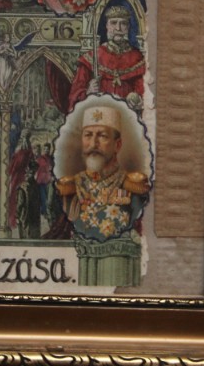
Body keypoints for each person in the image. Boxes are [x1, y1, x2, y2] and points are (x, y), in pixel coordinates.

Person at [56, 105, 150, 286]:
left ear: (117, 145)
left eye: (102, 136)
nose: (93, 144)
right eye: (88, 135)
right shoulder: (71, 187)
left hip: (120, 269)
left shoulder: (133, 187)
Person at [68, 5, 146, 111]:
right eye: (113, 23)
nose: (118, 28)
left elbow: (144, 90)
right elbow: (75, 94)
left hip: (128, 113)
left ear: (128, 27)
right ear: (107, 26)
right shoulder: (92, 56)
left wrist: (139, 100)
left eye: (123, 23)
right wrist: (88, 92)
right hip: (98, 112)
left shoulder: (137, 58)